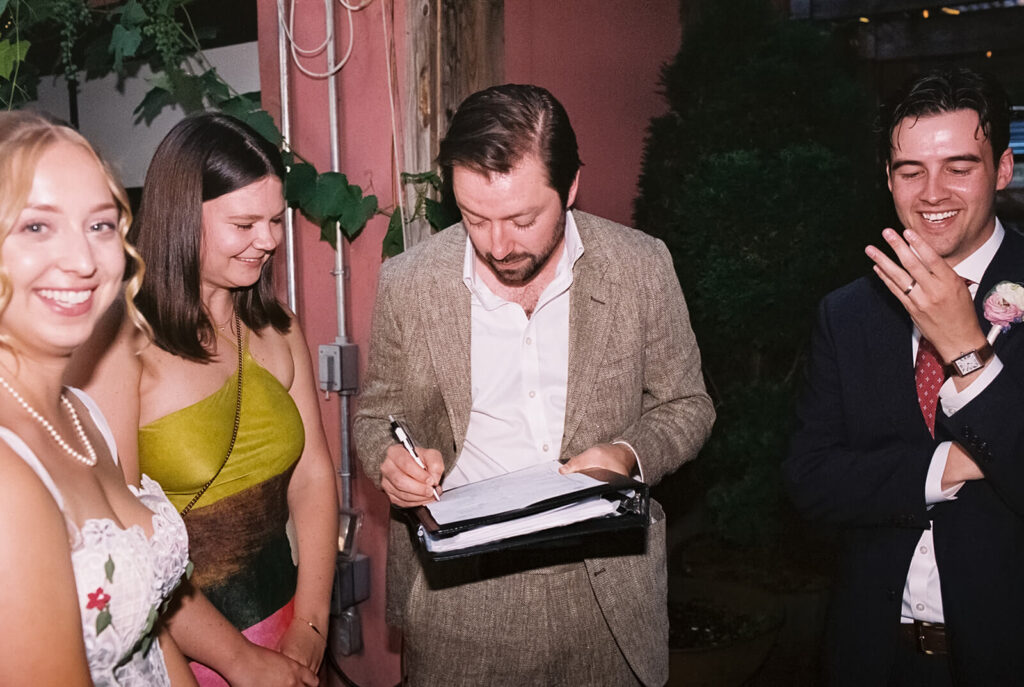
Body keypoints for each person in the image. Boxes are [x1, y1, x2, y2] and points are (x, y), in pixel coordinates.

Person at [353, 83, 714, 686]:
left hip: (606, 595)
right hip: (461, 597)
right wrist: (392, 461)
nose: (498, 246)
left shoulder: (641, 266)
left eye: (522, 219)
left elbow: (687, 405)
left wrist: (627, 454)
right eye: (475, 219)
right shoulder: (409, 283)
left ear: (570, 188)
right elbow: (375, 415)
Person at [72, 112, 338, 685]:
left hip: (292, 627)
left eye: (273, 220)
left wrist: (311, 627)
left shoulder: (277, 326)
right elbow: (127, 549)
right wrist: (239, 663)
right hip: (185, 652)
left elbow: (313, 474)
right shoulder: (119, 347)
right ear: (181, 220)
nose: (268, 240)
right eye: (244, 224)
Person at [784, 67, 1021, 685]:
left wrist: (966, 350)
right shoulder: (848, 311)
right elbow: (810, 481)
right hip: (871, 653)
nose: (932, 192)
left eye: (960, 167)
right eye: (910, 170)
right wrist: (946, 465)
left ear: (1002, 169)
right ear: (887, 178)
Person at [0, 111, 194, 685]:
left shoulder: (82, 416)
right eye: (37, 227)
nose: (83, 262)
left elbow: (149, 627)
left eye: (101, 225)